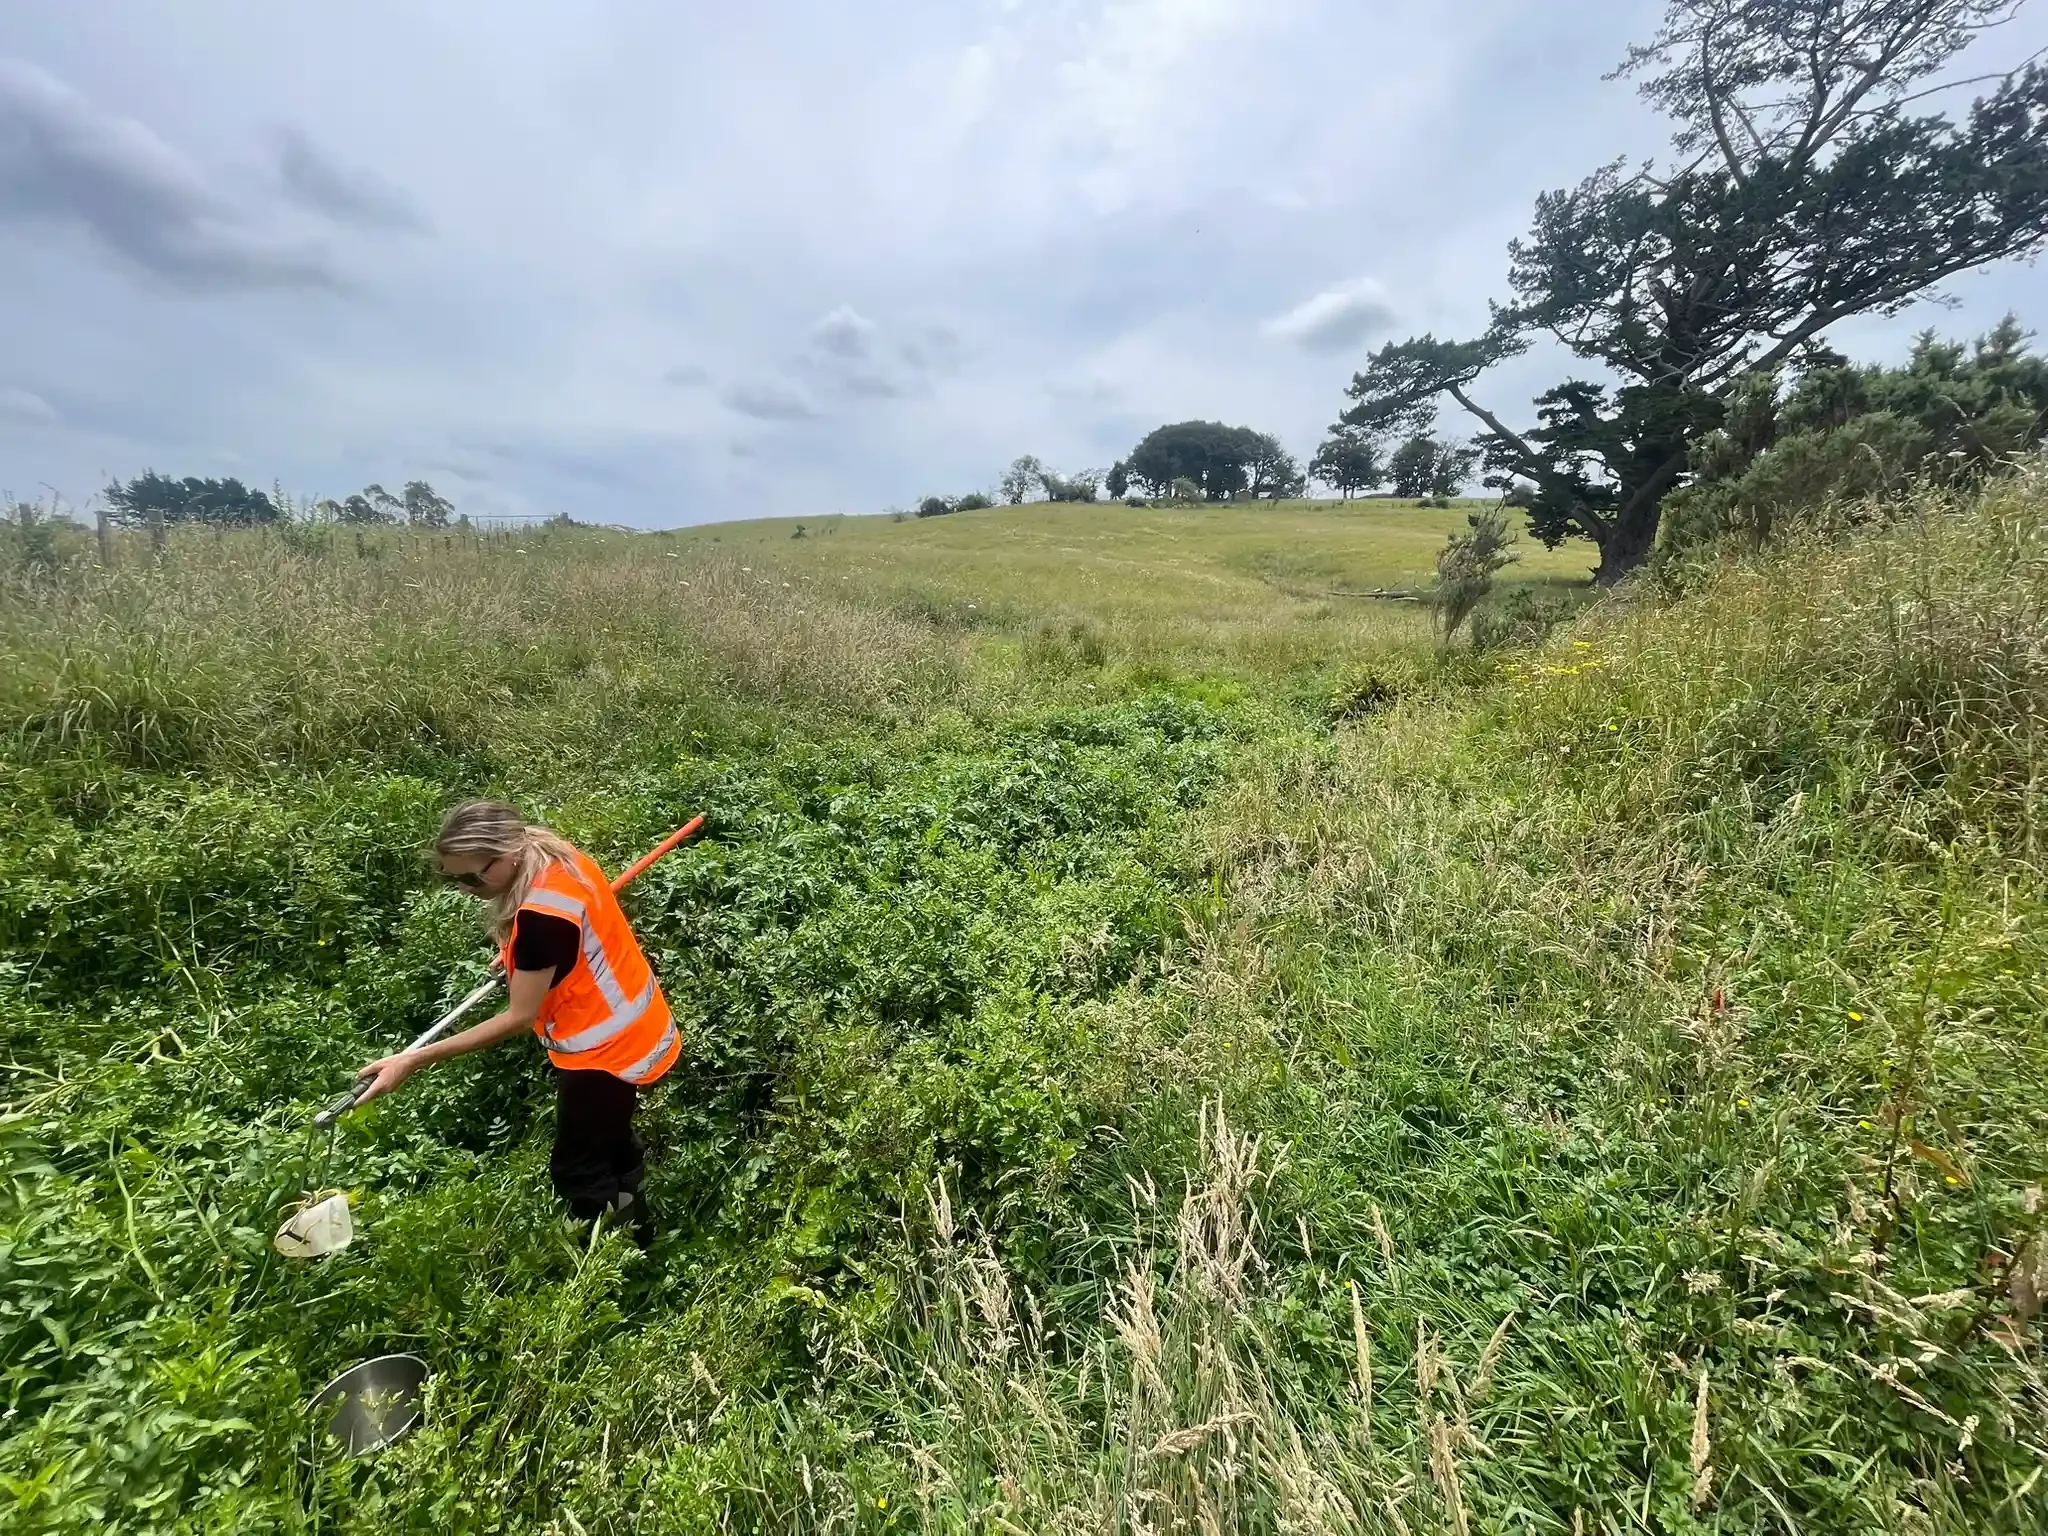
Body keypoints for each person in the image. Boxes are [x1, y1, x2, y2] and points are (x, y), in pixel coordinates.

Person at [352, 801, 680, 1248]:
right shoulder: (558, 855)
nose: (465, 888)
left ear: (508, 853)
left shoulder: (542, 922)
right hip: (631, 1018)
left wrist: (414, 1059)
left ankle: (631, 1251)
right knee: (609, 1133)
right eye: (453, 879)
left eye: (473, 877)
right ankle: (630, 1191)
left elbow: (518, 1017)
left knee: (577, 1172)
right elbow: (567, 938)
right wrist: (519, 958)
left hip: (604, 1052)